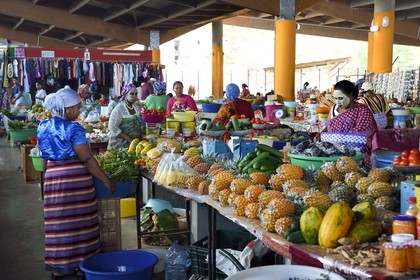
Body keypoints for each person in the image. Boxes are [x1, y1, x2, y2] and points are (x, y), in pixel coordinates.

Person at [36, 87, 115, 278]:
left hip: (53, 179)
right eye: (77, 107)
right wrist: (106, 181)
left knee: (59, 224)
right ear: (68, 109)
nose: (79, 111)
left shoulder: (43, 126)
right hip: (75, 183)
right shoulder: (73, 128)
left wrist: (47, 180)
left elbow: (44, 158)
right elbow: (87, 158)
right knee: (80, 223)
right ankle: (82, 264)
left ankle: (61, 266)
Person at [316, 80, 378, 168]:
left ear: (350, 95)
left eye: (341, 98)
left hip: (354, 156)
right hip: (332, 155)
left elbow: (362, 133)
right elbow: (328, 126)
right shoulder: (334, 109)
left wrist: (339, 140)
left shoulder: (362, 110)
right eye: (336, 98)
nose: (338, 102)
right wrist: (321, 134)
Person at [107, 84, 142, 150]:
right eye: (131, 94)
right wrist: (129, 139)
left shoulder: (135, 106)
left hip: (132, 144)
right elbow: (112, 127)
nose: (134, 96)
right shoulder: (119, 109)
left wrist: (140, 138)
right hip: (119, 144)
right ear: (125, 94)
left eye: (136, 94)